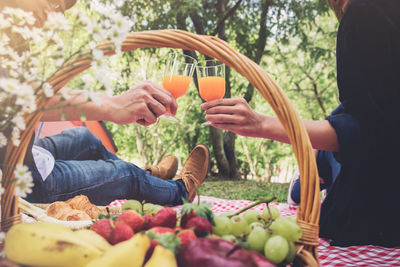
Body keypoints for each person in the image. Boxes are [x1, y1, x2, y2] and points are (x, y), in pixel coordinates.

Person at [201, 0, 400, 247]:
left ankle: (314, 163)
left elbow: (371, 130)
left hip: (383, 203)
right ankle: (315, 161)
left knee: (316, 194)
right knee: (307, 185)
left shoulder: (364, 13)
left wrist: (261, 124)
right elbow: (375, 108)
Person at [0, 0, 210, 206]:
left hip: (23, 153)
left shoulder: (14, 33)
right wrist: (113, 105)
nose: (53, 13)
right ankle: (181, 190)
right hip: (18, 180)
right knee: (125, 175)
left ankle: (149, 177)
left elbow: (28, 88)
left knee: (84, 137)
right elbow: (16, 97)